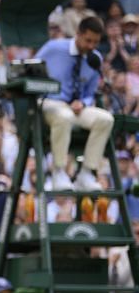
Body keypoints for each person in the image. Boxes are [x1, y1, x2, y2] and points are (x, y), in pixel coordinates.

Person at [36, 16, 115, 191]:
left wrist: (83, 102)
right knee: (64, 116)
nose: (91, 46)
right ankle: (59, 172)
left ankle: (86, 174)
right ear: (78, 34)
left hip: (77, 109)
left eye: (95, 42)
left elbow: (90, 92)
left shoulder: (95, 58)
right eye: (88, 40)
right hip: (51, 103)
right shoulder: (53, 48)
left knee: (106, 119)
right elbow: (30, 70)